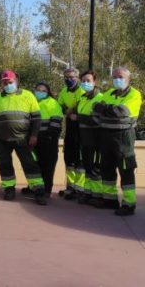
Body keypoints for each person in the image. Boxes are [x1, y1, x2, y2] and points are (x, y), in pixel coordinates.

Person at [0, 70, 47, 205]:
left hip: (23, 139)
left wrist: (34, 135)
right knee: (4, 164)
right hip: (2, 140)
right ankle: (9, 189)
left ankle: (38, 190)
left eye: (10, 82)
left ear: (16, 81)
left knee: (30, 164)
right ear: (1, 83)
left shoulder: (28, 95)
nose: (8, 84)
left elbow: (37, 118)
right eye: (5, 82)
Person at [93, 67, 141, 216]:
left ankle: (128, 204)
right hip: (106, 135)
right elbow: (95, 109)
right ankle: (110, 200)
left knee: (126, 170)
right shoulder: (109, 93)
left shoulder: (134, 94)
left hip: (124, 136)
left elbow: (122, 112)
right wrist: (109, 111)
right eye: (114, 77)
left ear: (128, 79)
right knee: (106, 168)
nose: (117, 79)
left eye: (120, 77)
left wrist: (105, 109)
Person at [75, 71, 103, 205]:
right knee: (87, 166)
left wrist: (78, 117)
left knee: (95, 169)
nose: (85, 83)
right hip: (84, 139)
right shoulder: (83, 98)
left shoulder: (100, 98)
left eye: (88, 80)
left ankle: (97, 195)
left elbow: (97, 120)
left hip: (96, 139)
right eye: (83, 81)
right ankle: (88, 193)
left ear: (94, 82)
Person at [57, 68, 85, 200]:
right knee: (69, 158)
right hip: (69, 127)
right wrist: (66, 110)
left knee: (79, 160)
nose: (69, 79)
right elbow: (59, 105)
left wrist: (72, 110)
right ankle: (71, 187)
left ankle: (80, 189)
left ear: (77, 78)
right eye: (66, 77)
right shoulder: (64, 91)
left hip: (81, 128)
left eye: (72, 77)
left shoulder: (82, 90)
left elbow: (82, 105)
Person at [31, 82, 63, 197]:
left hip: (48, 139)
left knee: (48, 165)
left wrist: (49, 137)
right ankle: (35, 187)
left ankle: (46, 190)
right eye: (38, 90)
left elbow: (56, 121)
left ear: (48, 92)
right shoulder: (32, 102)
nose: (40, 92)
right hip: (34, 138)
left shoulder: (52, 103)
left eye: (43, 91)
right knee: (35, 164)